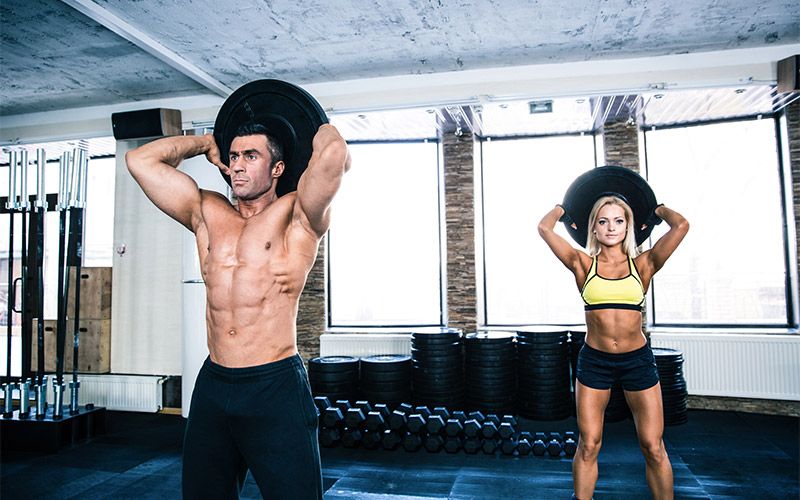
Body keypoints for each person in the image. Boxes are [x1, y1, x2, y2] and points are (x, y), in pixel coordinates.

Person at [126, 121, 350, 499]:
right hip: (214, 384)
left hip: (274, 386)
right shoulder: (206, 211)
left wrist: (313, 123)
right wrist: (205, 143)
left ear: (277, 168)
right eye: (233, 157)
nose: (238, 166)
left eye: (251, 156)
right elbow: (139, 160)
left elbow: (333, 154)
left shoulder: (297, 215)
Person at [538, 195, 689, 500]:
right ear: (593, 229)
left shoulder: (644, 264)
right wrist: (563, 207)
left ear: (628, 227)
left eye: (619, 221)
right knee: (590, 443)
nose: (611, 227)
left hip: (637, 361)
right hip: (595, 361)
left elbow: (682, 225)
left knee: (653, 446)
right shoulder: (582, 264)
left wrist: (655, 209)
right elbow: (544, 228)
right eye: (603, 221)